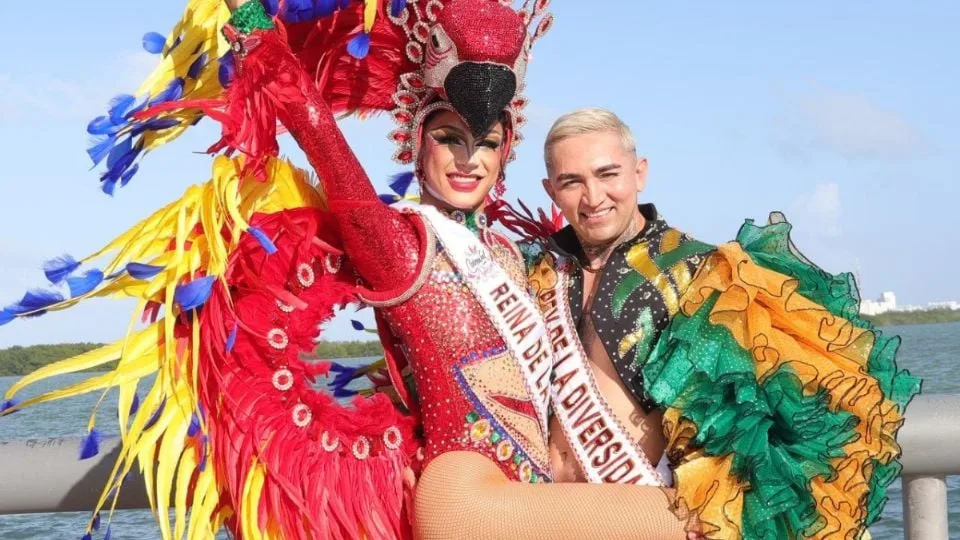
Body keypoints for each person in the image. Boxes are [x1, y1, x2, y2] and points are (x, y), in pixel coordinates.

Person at [1, 3, 697, 540]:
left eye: (484, 143)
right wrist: (268, 55)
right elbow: (330, 154)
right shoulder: (401, 243)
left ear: (505, 155)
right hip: (464, 492)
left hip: (534, 501)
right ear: (417, 143)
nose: (466, 159)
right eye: (448, 139)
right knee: (711, 520)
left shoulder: (523, 257)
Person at [517, 107, 922, 538]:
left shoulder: (705, 272)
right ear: (550, 190)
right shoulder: (531, 271)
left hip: (648, 516)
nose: (593, 196)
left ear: (640, 173)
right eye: (572, 181)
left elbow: (792, 415)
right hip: (546, 515)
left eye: (607, 174)